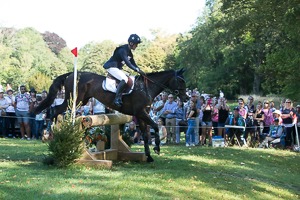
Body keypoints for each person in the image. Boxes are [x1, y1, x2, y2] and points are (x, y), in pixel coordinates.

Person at [103, 34, 144, 107]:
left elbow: (133, 63)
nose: (137, 46)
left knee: (129, 77)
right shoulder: (123, 50)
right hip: (111, 66)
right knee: (124, 79)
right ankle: (117, 99)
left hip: (117, 68)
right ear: (131, 43)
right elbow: (128, 63)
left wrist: (140, 70)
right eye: (136, 44)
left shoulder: (130, 53)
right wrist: (136, 69)